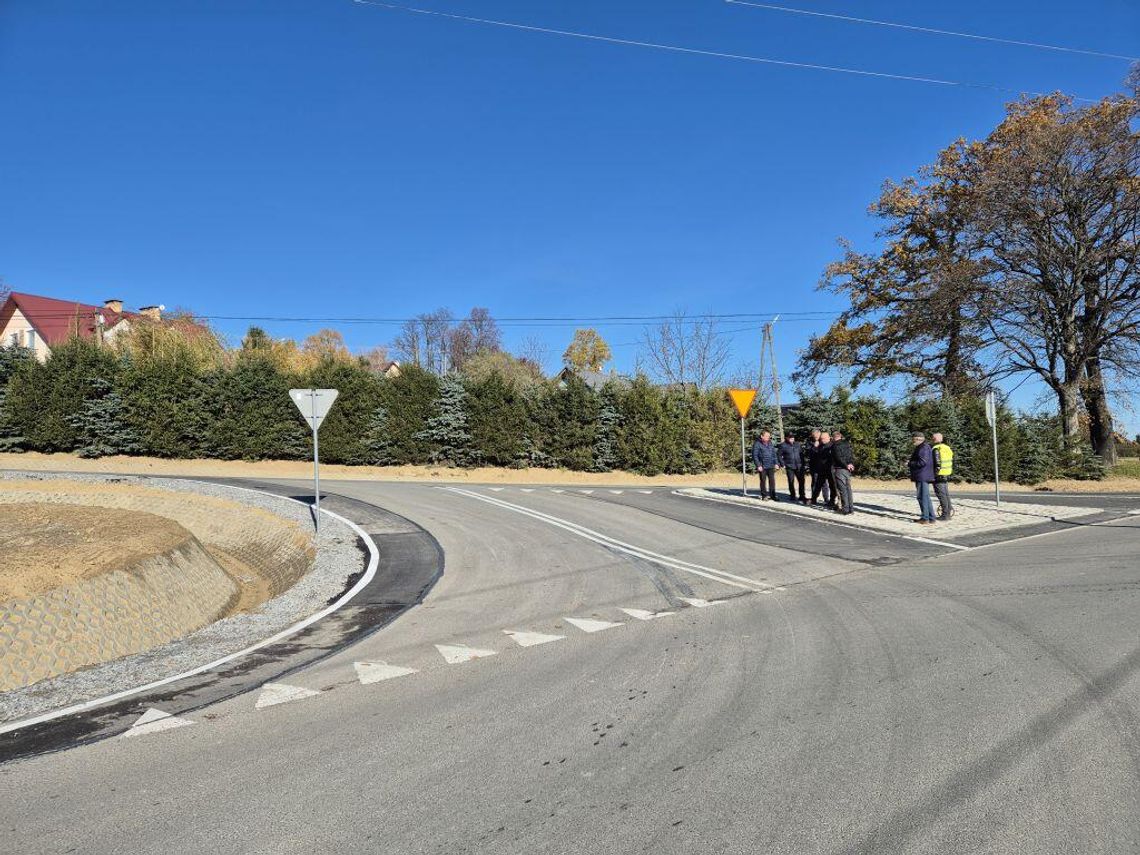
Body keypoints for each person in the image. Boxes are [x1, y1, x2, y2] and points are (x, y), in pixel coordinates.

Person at [908, 432, 936, 524]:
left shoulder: (923, 448)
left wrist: (909, 463)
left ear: (917, 439)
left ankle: (925, 518)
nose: (912, 441)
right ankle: (931, 517)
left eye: (913, 439)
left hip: (922, 476)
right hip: (923, 475)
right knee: (926, 497)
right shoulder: (924, 447)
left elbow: (922, 462)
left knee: (922, 497)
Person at [830, 429, 855, 514]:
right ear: (840, 436)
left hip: (839, 469)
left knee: (842, 489)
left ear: (833, 437)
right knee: (848, 489)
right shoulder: (847, 444)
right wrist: (850, 464)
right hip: (848, 470)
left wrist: (845, 465)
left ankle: (845, 509)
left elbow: (838, 458)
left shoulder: (834, 446)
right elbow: (850, 455)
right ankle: (851, 509)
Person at [778, 431, 807, 504]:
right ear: (787, 438)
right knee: (791, 481)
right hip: (789, 466)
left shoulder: (797, 444)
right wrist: (783, 464)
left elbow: (801, 454)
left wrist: (803, 464)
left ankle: (802, 495)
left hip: (799, 466)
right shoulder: (783, 445)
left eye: (793, 437)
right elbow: (779, 455)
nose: (792, 438)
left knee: (801, 481)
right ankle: (792, 495)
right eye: (790, 437)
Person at [931, 432, 954, 521]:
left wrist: (934, 475)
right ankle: (948, 511)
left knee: (941, 495)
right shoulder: (947, 448)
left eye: (932, 438)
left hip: (938, 475)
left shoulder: (936, 449)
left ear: (934, 439)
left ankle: (945, 515)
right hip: (946, 473)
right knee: (946, 494)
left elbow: (937, 463)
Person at [751, 429, 780, 501]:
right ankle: (764, 496)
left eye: (769, 436)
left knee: (772, 481)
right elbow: (755, 455)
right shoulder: (757, 444)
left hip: (771, 465)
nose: (768, 437)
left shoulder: (770, 443)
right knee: (763, 481)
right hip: (762, 466)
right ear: (762, 436)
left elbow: (774, 454)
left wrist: (776, 463)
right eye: (766, 436)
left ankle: (773, 495)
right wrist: (758, 465)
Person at [812, 431, 838, 509]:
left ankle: (832, 501)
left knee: (832, 486)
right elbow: (815, 454)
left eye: (823, 438)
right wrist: (815, 447)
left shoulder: (832, 445)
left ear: (828, 438)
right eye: (821, 438)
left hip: (830, 469)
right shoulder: (820, 445)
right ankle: (814, 498)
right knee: (818, 484)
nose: (822, 440)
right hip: (821, 469)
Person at [807, 429, 831, 507]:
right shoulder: (810, 442)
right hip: (814, 467)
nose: (817, 438)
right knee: (815, 483)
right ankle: (814, 499)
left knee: (824, 483)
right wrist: (814, 447)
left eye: (818, 436)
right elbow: (809, 454)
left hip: (823, 467)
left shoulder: (823, 442)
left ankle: (826, 499)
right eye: (815, 437)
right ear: (813, 436)